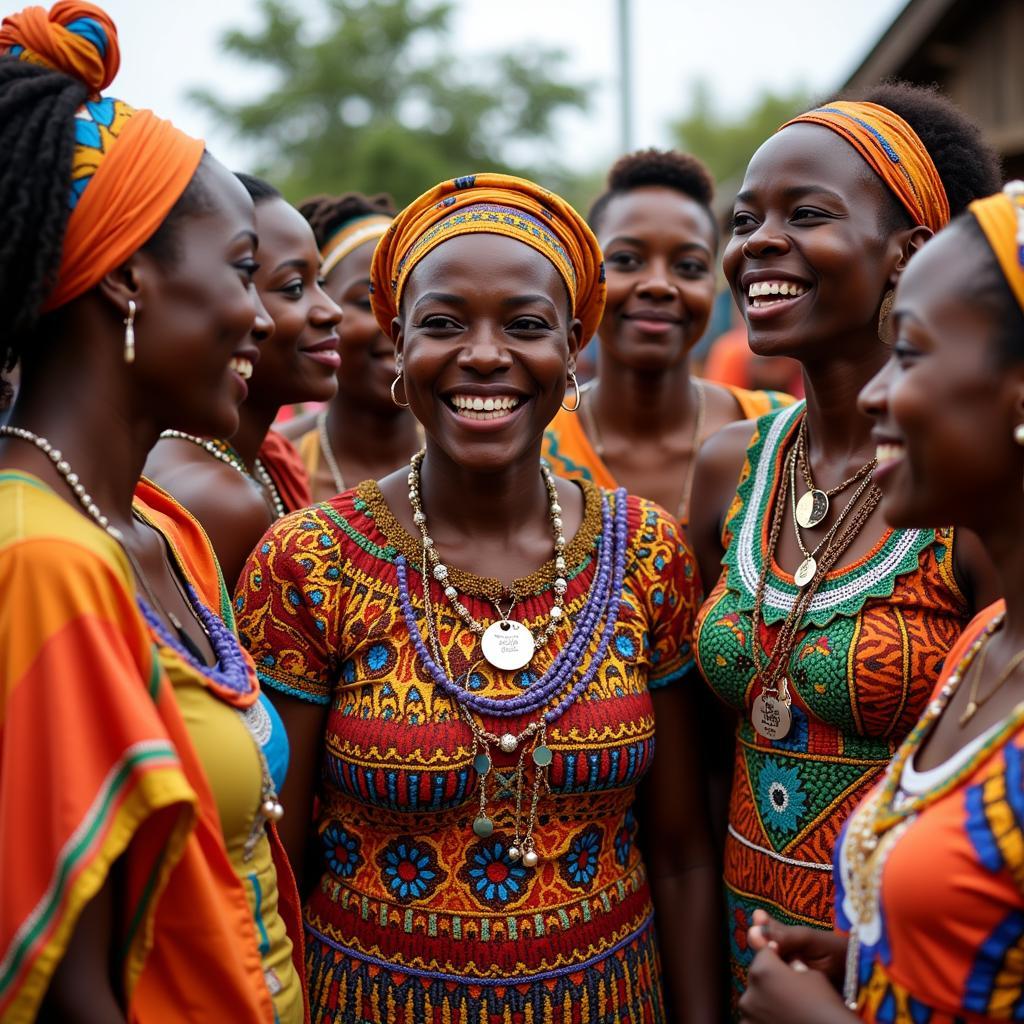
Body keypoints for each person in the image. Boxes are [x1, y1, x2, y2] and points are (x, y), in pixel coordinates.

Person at [234, 173, 721, 1022]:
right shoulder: (309, 560)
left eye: (526, 326)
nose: (486, 354)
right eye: (444, 323)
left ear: (574, 346)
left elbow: (680, 853)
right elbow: (278, 856)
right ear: (396, 344)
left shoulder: (646, 551)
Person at [0, 4, 304, 1021]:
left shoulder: (163, 530)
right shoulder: (43, 559)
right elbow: (67, 987)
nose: (264, 316)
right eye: (244, 271)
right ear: (128, 277)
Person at [689, 83, 1003, 1009]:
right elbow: (709, 763)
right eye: (745, 220)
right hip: (747, 962)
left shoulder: (967, 496)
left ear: (909, 254)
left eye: (807, 214)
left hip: (904, 973)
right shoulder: (728, 470)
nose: (757, 243)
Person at [541, 148, 793, 529]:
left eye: (688, 266)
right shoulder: (535, 444)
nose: (659, 285)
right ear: (588, 277)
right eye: (627, 260)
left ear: (713, 284)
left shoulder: (779, 431)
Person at [146, 174, 342, 589]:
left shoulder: (270, 460)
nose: (330, 310)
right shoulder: (214, 497)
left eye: (320, 282)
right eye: (293, 288)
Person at [280, 192, 425, 502]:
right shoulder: (272, 468)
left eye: (416, 304)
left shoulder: (482, 461)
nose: (396, 324)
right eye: (367, 301)